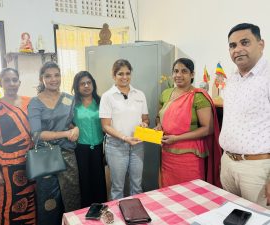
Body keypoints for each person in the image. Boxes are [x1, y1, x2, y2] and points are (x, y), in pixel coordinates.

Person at [219, 23, 270, 208]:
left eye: (245, 42)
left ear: (261, 44)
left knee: (260, 219)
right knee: (230, 216)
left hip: (258, 168)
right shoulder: (232, 79)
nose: (238, 49)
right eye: (232, 45)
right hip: (228, 163)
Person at [155, 58, 222, 187]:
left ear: (192, 74)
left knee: (192, 193)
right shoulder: (166, 93)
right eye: (175, 71)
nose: (178, 75)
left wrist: (177, 138)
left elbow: (208, 128)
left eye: (184, 71)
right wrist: (158, 125)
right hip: (167, 154)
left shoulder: (198, 96)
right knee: (168, 193)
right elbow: (159, 117)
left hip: (190, 156)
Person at [28, 62, 80, 225]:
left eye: (56, 75)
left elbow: (71, 123)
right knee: (48, 198)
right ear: (41, 79)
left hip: (67, 154)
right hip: (46, 156)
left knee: (72, 195)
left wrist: (76, 128)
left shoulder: (69, 99)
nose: (53, 79)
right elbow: (36, 134)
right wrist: (65, 133)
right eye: (48, 76)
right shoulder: (35, 102)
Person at [0, 68, 36, 225]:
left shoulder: (31, 102)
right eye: (7, 80)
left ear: (19, 82)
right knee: (8, 205)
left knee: (32, 203)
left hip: (31, 164)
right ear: (1, 83)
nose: (11, 84)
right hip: (7, 168)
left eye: (14, 80)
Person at [99, 59, 149, 200]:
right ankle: (118, 220)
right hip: (116, 147)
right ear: (114, 76)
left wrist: (144, 124)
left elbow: (146, 118)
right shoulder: (107, 96)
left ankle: (136, 217)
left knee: (137, 186)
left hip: (137, 145)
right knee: (117, 188)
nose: (124, 77)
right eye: (120, 74)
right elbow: (106, 126)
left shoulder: (140, 94)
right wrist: (125, 138)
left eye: (127, 73)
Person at [72, 71, 107, 208]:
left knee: (99, 179)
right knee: (84, 181)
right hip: (80, 148)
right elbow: (67, 121)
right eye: (82, 84)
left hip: (98, 147)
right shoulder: (72, 104)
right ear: (77, 86)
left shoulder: (101, 102)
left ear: (93, 84)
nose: (86, 86)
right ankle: (85, 212)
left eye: (89, 83)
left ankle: (101, 209)